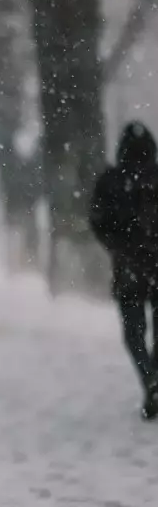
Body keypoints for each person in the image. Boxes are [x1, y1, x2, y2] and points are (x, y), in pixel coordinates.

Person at [89, 121, 158, 421]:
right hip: (155, 265)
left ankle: (149, 380)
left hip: (128, 267)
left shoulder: (111, 179)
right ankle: (154, 378)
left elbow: (98, 221)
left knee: (133, 333)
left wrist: (118, 247)